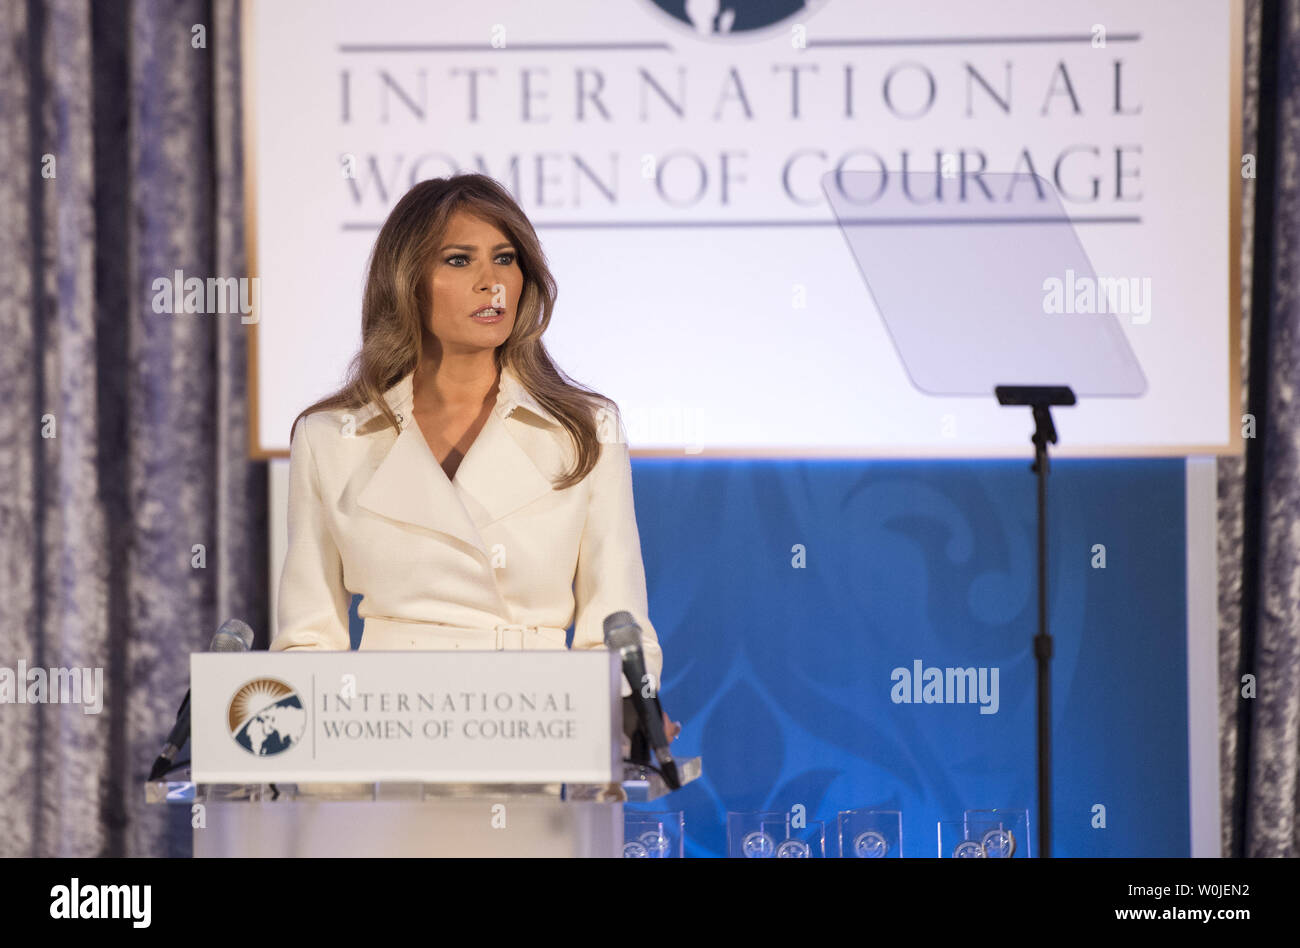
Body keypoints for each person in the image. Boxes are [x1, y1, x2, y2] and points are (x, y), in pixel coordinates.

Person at [271, 173, 680, 742]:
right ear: (406, 281)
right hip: (382, 741)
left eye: (506, 258)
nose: (492, 283)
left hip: (534, 732)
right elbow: (308, 641)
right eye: (460, 260)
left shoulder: (585, 430)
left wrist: (628, 714)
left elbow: (616, 624)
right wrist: (325, 807)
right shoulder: (330, 436)